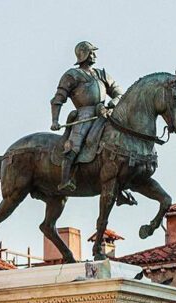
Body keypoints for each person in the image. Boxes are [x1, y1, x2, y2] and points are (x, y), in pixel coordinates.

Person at [50, 41, 123, 192]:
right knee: (74, 146)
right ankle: (65, 179)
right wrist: (55, 120)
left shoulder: (102, 74)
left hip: (104, 113)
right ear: (83, 54)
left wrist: (113, 102)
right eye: (91, 52)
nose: (94, 55)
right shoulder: (72, 75)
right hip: (84, 115)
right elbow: (58, 99)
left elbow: (119, 92)